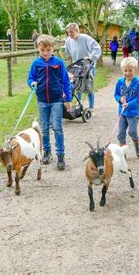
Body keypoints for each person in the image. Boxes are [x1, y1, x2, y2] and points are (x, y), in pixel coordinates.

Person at [27, 34, 72, 170]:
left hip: (56, 101)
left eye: (48, 50)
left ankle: (61, 155)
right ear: (38, 50)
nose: (45, 53)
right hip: (42, 101)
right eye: (42, 50)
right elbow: (30, 79)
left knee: (57, 128)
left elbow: (65, 81)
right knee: (45, 129)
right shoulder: (36, 63)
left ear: (53, 49)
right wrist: (32, 83)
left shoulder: (58, 63)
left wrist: (68, 99)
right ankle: (47, 152)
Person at [64, 23, 101, 112]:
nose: (69, 34)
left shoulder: (85, 38)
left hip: (88, 66)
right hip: (76, 66)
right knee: (77, 85)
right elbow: (68, 54)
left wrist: (91, 57)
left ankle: (91, 107)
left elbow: (97, 48)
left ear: (77, 31)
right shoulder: (68, 40)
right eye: (68, 32)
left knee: (89, 86)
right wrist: (70, 66)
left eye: (71, 32)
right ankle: (79, 104)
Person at [114, 57, 139, 157]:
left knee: (132, 132)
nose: (128, 73)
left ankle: (137, 145)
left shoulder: (137, 83)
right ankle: (123, 152)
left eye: (130, 70)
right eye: (125, 71)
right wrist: (120, 99)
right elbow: (116, 94)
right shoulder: (119, 82)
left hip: (133, 113)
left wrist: (129, 104)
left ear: (135, 70)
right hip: (122, 113)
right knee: (120, 134)